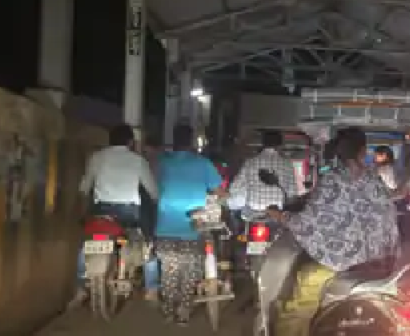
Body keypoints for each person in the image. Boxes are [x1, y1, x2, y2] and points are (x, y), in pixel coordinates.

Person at [263, 126, 399, 336]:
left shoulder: (332, 180)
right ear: (362, 151)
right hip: (378, 261)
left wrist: (281, 216)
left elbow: (311, 221)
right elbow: (386, 213)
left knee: (298, 303)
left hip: (341, 262)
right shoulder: (374, 180)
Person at [74, 124, 159, 306]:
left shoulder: (97, 158)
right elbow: (153, 192)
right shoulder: (138, 161)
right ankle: (151, 289)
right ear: (130, 142)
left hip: (101, 211)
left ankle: (80, 289)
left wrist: (83, 212)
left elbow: (84, 189)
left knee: (85, 245)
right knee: (147, 246)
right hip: (128, 213)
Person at [153, 124, 224, 325]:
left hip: (165, 225)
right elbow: (218, 191)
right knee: (190, 270)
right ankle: (183, 312)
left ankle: (168, 310)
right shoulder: (203, 164)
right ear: (192, 141)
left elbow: (153, 187)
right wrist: (223, 198)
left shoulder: (162, 163)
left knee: (169, 270)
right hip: (193, 227)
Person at [226, 130, 299, 220]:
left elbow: (235, 187)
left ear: (263, 144)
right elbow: (292, 192)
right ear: (280, 145)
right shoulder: (287, 164)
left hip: (254, 209)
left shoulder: (250, 162)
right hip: (277, 211)